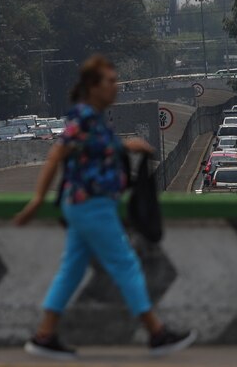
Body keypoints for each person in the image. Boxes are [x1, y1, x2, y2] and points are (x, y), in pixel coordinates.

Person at [13, 55, 196, 360]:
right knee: (125, 264)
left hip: (88, 205)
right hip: (91, 205)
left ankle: (44, 335)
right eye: (110, 81)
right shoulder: (84, 116)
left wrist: (126, 146)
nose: (116, 87)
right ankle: (156, 333)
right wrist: (37, 199)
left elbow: (94, 149)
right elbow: (57, 154)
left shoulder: (95, 118)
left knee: (71, 270)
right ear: (91, 86)